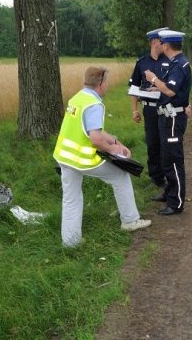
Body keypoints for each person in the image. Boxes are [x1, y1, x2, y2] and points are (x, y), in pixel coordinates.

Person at [53, 66, 152, 247]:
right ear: (101, 83)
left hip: (64, 157)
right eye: (106, 82)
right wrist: (115, 151)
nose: (107, 85)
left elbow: (93, 130)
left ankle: (70, 242)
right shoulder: (94, 104)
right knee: (120, 176)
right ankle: (130, 221)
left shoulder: (78, 97)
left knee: (71, 198)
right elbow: (96, 139)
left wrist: (115, 142)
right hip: (82, 160)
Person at [144, 30, 192, 215]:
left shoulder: (179, 64)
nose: (160, 46)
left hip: (173, 118)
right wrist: (157, 86)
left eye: (162, 43)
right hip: (167, 116)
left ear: (167, 45)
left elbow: (171, 91)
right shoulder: (176, 63)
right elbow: (173, 88)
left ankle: (176, 203)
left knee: (173, 160)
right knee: (166, 159)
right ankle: (169, 193)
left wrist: (154, 78)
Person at [128, 27, 170, 187]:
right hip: (149, 109)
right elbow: (133, 88)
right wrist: (134, 110)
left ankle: (169, 176)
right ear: (154, 43)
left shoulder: (169, 61)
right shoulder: (142, 62)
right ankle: (156, 178)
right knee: (152, 143)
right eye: (163, 42)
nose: (165, 45)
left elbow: (175, 87)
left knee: (166, 143)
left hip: (166, 107)